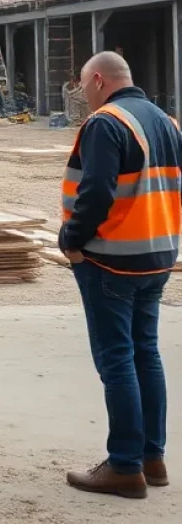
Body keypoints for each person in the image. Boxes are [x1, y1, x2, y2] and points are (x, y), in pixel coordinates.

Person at [60, 51, 181, 499]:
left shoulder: (106, 122)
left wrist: (72, 238)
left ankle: (125, 465)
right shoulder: (166, 122)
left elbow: (95, 192)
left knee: (117, 358)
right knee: (145, 352)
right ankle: (153, 456)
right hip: (158, 254)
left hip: (111, 258)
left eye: (83, 86)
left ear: (96, 81)